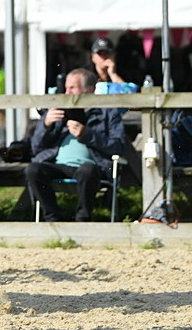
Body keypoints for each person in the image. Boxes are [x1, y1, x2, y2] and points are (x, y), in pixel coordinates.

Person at [26, 68, 127, 222]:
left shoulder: (108, 112)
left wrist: (87, 134)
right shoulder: (59, 110)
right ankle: (52, 219)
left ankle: (82, 220)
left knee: (87, 170)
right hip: (57, 164)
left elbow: (118, 146)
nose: (67, 93)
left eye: (72, 88)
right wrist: (45, 125)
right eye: (66, 88)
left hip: (93, 166)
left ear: (89, 90)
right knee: (33, 169)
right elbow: (36, 148)